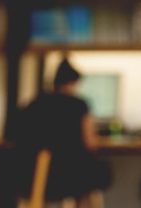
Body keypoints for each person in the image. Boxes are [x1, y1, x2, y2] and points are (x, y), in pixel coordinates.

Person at [13, 58, 111, 206]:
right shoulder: (79, 105)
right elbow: (90, 143)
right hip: (72, 178)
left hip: (37, 177)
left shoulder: (35, 103)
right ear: (73, 83)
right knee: (96, 172)